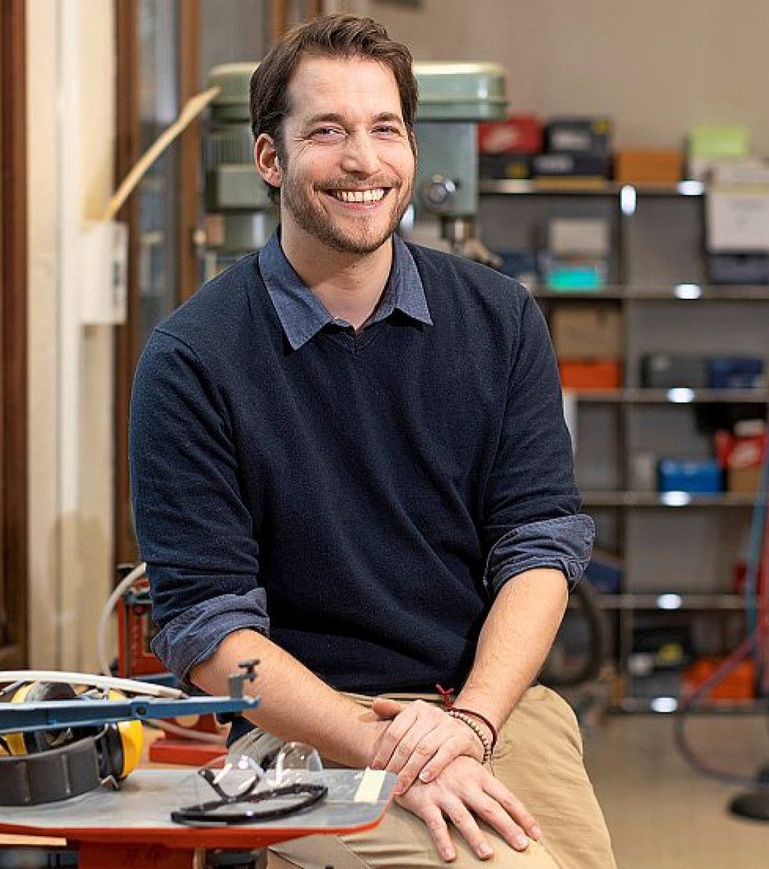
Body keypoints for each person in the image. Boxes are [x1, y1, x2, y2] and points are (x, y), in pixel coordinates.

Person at [130, 13, 615, 868]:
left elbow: (540, 544)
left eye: (384, 129)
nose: (363, 160)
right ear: (269, 160)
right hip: (305, 721)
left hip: (484, 703)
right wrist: (384, 745)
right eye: (328, 131)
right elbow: (209, 633)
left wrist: (466, 721)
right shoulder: (192, 359)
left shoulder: (502, 321)